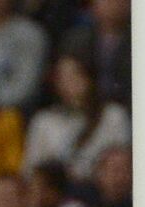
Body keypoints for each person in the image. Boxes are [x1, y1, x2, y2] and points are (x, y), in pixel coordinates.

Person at [22, 55, 130, 184]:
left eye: (75, 74)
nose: (70, 82)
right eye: (62, 77)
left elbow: (122, 161)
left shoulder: (113, 115)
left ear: (89, 77)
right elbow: (31, 168)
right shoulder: (44, 121)